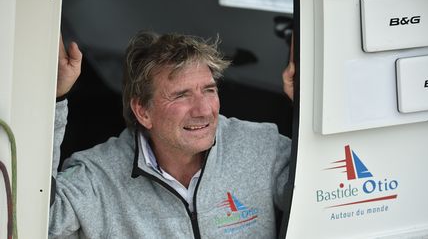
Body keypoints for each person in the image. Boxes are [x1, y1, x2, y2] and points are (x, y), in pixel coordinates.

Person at [50, 31, 295, 238]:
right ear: (143, 111)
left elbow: (323, 194)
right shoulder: (98, 175)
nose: (203, 110)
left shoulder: (260, 146)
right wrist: (53, 101)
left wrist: (312, 100)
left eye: (209, 90)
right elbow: (38, 220)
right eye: (181, 95)